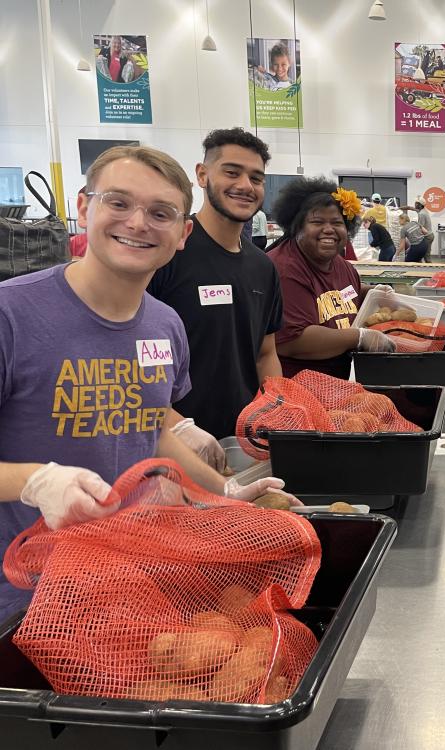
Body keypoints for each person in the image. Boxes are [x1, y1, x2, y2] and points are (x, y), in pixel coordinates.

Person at [0, 145, 291, 622]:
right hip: (23, 599)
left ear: (182, 233)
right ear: (82, 207)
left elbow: (150, 427)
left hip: (126, 584)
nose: (138, 223)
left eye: (160, 213)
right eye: (118, 203)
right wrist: (33, 482)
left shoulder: (165, 325)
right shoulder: (11, 315)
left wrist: (224, 491)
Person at [148, 128, 283, 451]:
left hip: (242, 445)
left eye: (256, 178)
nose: (245, 186)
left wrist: (276, 408)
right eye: (232, 172)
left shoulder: (263, 267)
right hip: (169, 446)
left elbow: (266, 353)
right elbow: (129, 356)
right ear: (202, 174)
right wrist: (177, 428)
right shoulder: (168, 252)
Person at [267, 178, 395, 380]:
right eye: (317, 222)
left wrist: (372, 292)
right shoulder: (284, 269)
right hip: (293, 393)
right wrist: (359, 336)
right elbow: (294, 341)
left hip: (334, 387)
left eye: (337, 223)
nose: (329, 229)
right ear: (296, 227)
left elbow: (341, 294)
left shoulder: (342, 266)